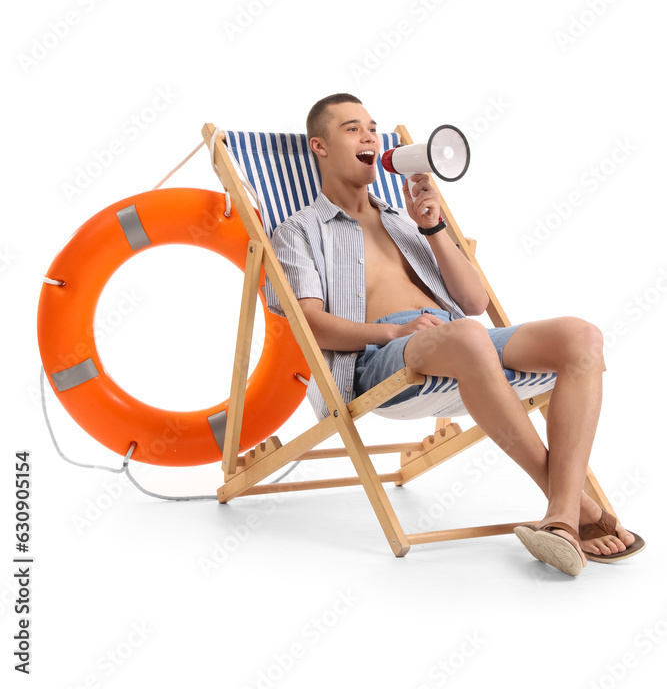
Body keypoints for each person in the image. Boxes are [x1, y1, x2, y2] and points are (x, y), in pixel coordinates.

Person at [266, 93, 644, 575]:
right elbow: (311, 325)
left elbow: (474, 304)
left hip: (459, 338)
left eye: (372, 127)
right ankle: (576, 510)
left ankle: (562, 519)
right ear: (319, 147)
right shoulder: (298, 231)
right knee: (467, 336)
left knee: (582, 337)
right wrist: (393, 332)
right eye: (352, 128)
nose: (369, 136)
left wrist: (434, 225)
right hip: (378, 358)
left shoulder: (403, 218)